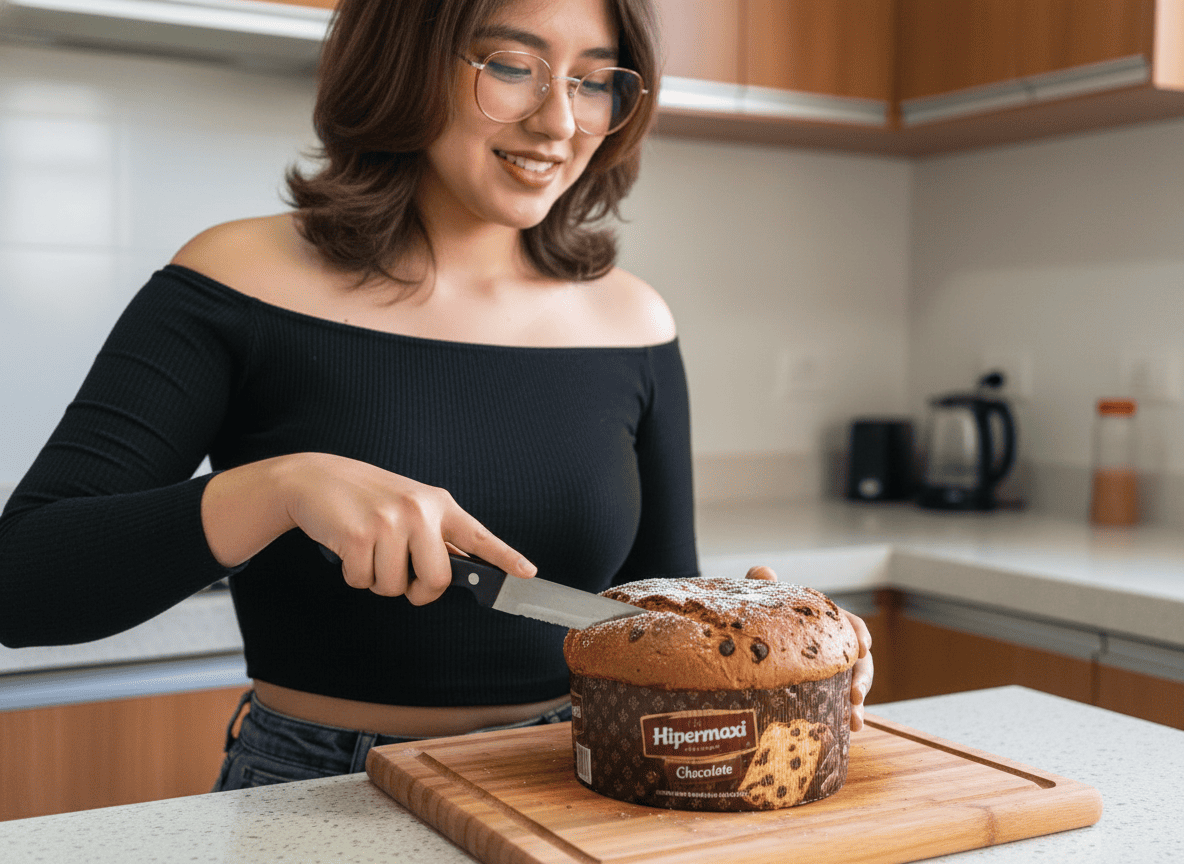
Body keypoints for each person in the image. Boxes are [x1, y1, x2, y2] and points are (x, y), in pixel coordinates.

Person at [0, 0, 873, 790]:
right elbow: (23, 583)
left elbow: (649, 614)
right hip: (319, 787)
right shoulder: (236, 278)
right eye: (511, 65)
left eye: (594, 80)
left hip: (575, 776)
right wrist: (279, 487)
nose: (560, 121)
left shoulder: (632, 319)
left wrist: (763, 659)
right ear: (405, 60)